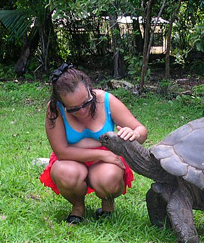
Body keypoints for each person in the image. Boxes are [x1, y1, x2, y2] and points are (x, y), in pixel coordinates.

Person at [39, 63, 148, 225]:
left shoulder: (106, 100)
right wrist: (103, 154)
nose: (82, 111)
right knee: (65, 173)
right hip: (72, 159)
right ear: (61, 103)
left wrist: (134, 134)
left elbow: (141, 130)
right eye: (73, 109)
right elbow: (62, 152)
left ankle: (108, 204)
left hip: (106, 165)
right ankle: (77, 207)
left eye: (86, 102)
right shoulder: (54, 109)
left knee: (108, 178)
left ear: (90, 89)